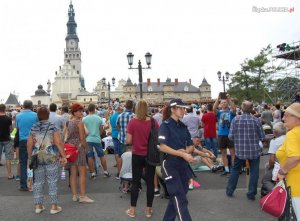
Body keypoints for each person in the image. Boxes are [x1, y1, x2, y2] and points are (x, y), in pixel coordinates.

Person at [158, 99, 196, 221]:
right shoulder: (165, 125)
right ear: (172, 109)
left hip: (182, 164)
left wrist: (187, 152)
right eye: (180, 108)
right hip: (169, 164)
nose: (183, 111)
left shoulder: (183, 126)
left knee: (179, 195)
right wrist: (181, 153)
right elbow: (162, 146)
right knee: (180, 198)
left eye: (184, 108)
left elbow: (191, 145)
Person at [27, 107, 67, 214]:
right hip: (51, 157)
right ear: (48, 115)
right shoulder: (52, 127)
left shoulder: (33, 127)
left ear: (38, 116)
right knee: (52, 181)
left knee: (38, 182)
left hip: (37, 157)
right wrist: (64, 156)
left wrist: (30, 157)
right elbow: (58, 142)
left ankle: (38, 206)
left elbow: (29, 144)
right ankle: (54, 207)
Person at [125, 100, 159, 218]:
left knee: (135, 182)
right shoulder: (154, 122)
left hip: (137, 154)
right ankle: (148, 210)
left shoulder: (132, 122)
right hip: (150, 155)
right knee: (150, 183)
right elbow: (157, 138)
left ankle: (132, 210)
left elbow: (128, 141)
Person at [226, 101, 265, 200]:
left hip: (240, 151)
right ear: (252, 109)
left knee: (235, 169)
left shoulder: (236, 120)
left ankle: (230, 190)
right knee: (254, 171)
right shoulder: (256, 120)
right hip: (254, 151)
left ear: (242, 109)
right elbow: (262, 137)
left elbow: (230, 136)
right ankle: (251, 193)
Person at [65, 103, 94, 203]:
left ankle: (74, 195)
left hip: (70, 148)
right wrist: (86, 148)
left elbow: (66, 135)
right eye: (79, 111)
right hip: (79, 148)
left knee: (73, 173)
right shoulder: (79, 123)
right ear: (74, 112)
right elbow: (82, 138)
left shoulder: (69, 122)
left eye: (82, 111)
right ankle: (83, 196)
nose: (81, 112)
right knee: (82, 173)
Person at [276, 103, 300, 220]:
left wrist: (282, 171)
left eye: (287, 115)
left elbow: (295, 157)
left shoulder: (293, 134)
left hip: (296, 186)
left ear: (297, 118)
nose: (283, 118)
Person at [83, 103, 110, 179]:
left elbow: (83, 130)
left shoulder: (84, 119)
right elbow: (101, 130)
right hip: (97, 138)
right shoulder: (99, 118)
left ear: (88, 110)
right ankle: (105, 171)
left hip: (88, 139)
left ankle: (93, 173)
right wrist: (98, 134)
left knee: (90, 156)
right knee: (101, 155)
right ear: (95, 109)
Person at [16, 100, 38, 191]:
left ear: (23, 106)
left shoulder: (18, 116)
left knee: (23, 162)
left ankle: (23, 185)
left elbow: (17, 128)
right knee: (33, 162)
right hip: (33, 140)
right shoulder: (35, 115)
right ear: (31, 106)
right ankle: (33, 183)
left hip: (22, 140)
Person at [213, 94, 235, 177]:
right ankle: (226, 170)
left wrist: (229, 99)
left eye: (225, 102)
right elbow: (214, 108)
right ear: (220, 104)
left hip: (230, 134)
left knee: (233, 153)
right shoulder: (219, 113)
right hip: (221, 135)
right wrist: (218, 99)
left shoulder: (231, 112)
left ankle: (233, 170)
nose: (224, 104)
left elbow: (234, 108)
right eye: (222, 103)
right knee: (223, 154)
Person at [0, 104, 14, 179]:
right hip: (7, 139)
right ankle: (9, 174)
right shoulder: (8, 119)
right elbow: (11, 129)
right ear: (4, 109)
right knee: (8, 157)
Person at [110, 105, 123, 178]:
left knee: (117, 153)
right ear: (119, 109)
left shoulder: (112, 116)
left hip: (114, 135)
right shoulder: (120, 116)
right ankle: (120, 172)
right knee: (121, 154)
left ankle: (119, 170)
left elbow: (112, 126)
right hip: (120, 135)